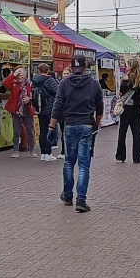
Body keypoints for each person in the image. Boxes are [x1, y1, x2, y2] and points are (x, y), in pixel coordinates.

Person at [53, 56, 103, 213]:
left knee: (69, 162)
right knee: (84, 164)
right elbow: (100, 108)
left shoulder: (64, 83)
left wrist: (51, 126)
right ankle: (81, 200)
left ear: (72, 67)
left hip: (69, 125)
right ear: (85, 67)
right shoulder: (94, 84)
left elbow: (58, 105)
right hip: (86, 125)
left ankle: (68, 195)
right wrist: (97, 122)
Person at [2, 67, 36, 157]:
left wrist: (30, 99)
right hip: (16, 110)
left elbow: (36, 95)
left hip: (27, 110)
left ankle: (32, 150)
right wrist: (13, 75)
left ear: (25, 76)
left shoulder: (31, 84)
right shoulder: (14, 84)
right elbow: (5, 84)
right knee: (16, 131)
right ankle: (15, 150)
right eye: (18, 75)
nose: (20, 77)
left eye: (22, 75)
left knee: (30, 131)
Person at [115, 66, 140, 164]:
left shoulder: (126, 78)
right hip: (137, 108)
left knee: (122, 132)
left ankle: (120, 156)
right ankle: (137, 157)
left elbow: (121, 92)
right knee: (136, 133)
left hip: (127, 108)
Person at [32, 63, 60, 162]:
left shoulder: (35, 81)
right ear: (48, 70)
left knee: (42, 132)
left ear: (38, 70)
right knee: (50, 130)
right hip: (50, 108)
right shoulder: (50, 80)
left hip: (40, 108)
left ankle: (43, 153)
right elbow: (58, 92)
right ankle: (48, 153)